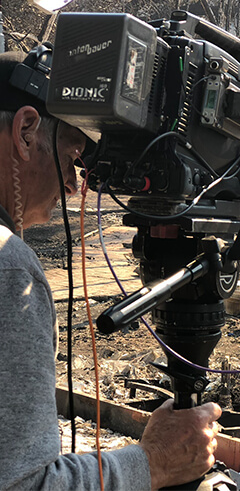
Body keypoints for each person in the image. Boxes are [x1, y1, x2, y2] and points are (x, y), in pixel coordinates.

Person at [0, 48, 222, 490]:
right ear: (26, 132)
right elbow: (24, 485)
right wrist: (154, 462)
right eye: (72, 154)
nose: (74, 182)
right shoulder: (9, 268)